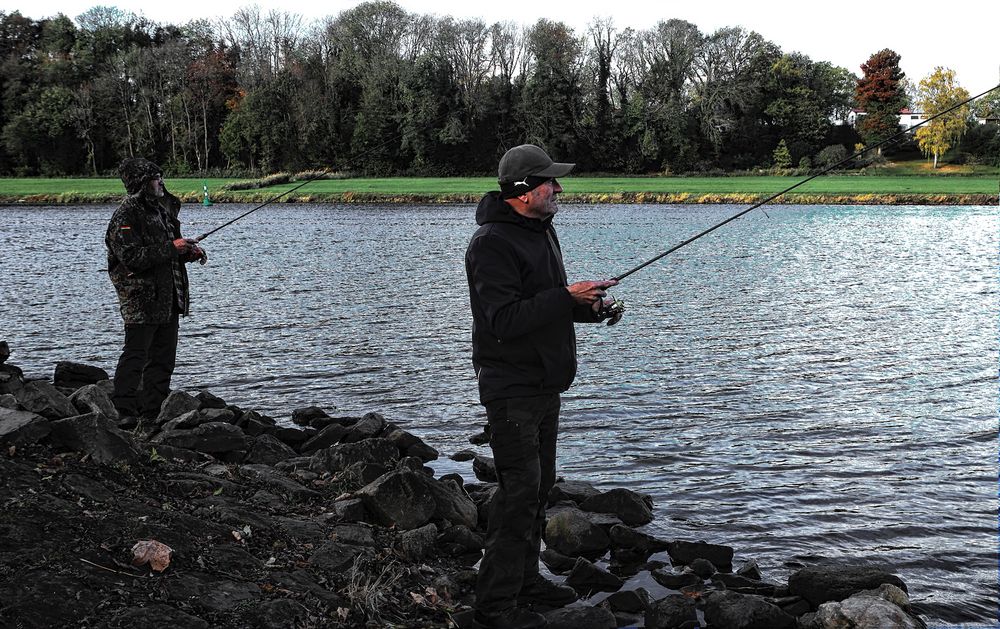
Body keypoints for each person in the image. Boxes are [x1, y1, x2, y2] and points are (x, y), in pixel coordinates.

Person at [465, 144, 622, 629]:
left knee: (538, 491)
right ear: (522, 190)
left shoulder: (541, 231)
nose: (559, 189)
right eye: (550, 182)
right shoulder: (491, 242)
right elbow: (503, 321)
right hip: (511, 389)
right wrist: (564, 297)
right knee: (517, 497)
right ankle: (494, 608)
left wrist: (587, 308)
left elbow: (544, 304)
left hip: (544, 385)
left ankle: (527, 582)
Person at [106, 158, 205, 421]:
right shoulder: (126, 215)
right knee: (136, 356)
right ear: (141, 183)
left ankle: (153, 412)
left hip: (168, 298)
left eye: (160, 176)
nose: (161, 182)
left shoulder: (161, 212)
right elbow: (131, 257)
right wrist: (174, 247)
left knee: (163, 360)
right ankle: (124, 411)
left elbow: (167, 251)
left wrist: (188, 252)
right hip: (141, 301)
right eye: (155, 178)